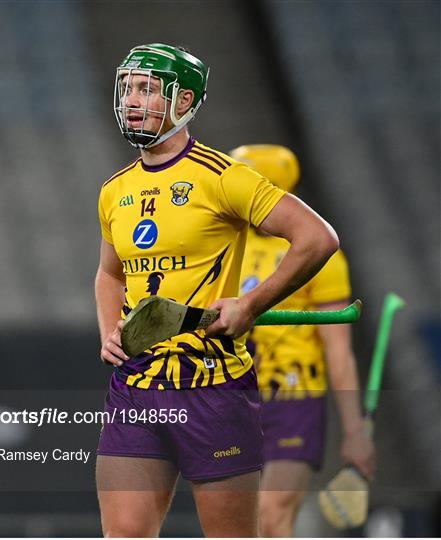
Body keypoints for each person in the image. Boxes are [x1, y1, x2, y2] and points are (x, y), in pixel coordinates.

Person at [95, 43, 339, 537]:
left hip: (213, 387)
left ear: (184, 102)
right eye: (128, 88)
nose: (133, 100)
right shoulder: (114, 189)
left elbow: (317, 239)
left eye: (147, 89)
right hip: (137, 386)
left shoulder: (223, 177)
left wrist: (251, 304)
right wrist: (109, 333)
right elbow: (109, 273)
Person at [230, 144, 376, 537]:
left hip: (296, 398)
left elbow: (338, 350)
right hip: (235, 398)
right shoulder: (226, 246)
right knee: (241, 524)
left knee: (272, 513)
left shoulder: (317, 253)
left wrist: (354, 431)